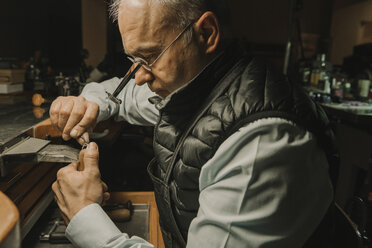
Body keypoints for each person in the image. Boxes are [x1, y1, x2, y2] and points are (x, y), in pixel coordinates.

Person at [50, 0, 336, 247]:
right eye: (133, 59)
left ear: (206, 33)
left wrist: (84, 214)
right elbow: (118, 91)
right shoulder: (194, 85)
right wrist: (88, 103)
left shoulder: (260, 142)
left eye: (148, 57)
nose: (138, 77)